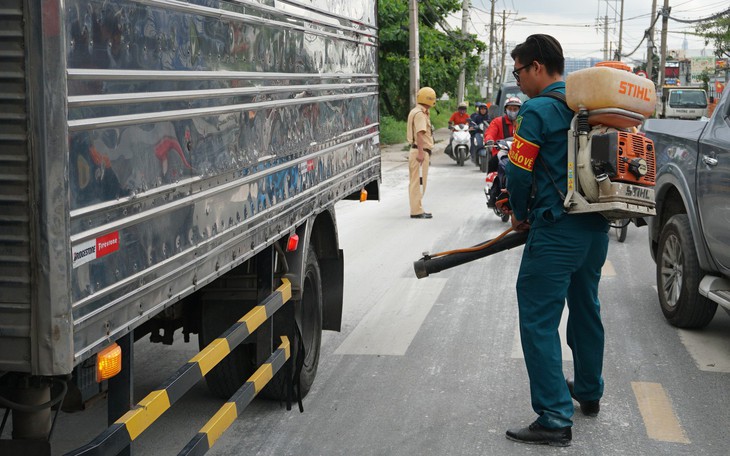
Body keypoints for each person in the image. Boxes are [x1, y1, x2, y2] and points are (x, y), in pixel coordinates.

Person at [502, 34, 609, 447]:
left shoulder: (538, 110)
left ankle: (554, 416)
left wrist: (520, 213)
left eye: (519, 71)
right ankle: (588, 390)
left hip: (557, 229)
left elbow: (519, 171)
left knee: (538, 317)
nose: (519, 81)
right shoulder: (590, 106)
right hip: (595, 227)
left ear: (538, 67)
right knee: (586, 308)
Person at [485, 97, 522, 207]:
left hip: (520, 154)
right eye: (510, 108)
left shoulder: (524, 122)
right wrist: (490, 140)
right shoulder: (497, 121)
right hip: (502, 153)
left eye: (515, 109)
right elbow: (490, 132)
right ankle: (493, 192)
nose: (513, 111)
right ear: (506, 109)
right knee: (493, 163)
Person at [406, 87, 436, 219]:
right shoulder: (420, 114)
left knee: (416, 182)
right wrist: (421, 153)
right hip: (420, 151)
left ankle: (417, 209)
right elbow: (420, 134)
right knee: (417, 183)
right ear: (430, 99)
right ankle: (416, 211)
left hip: (418, 150)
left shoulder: (417, 111)